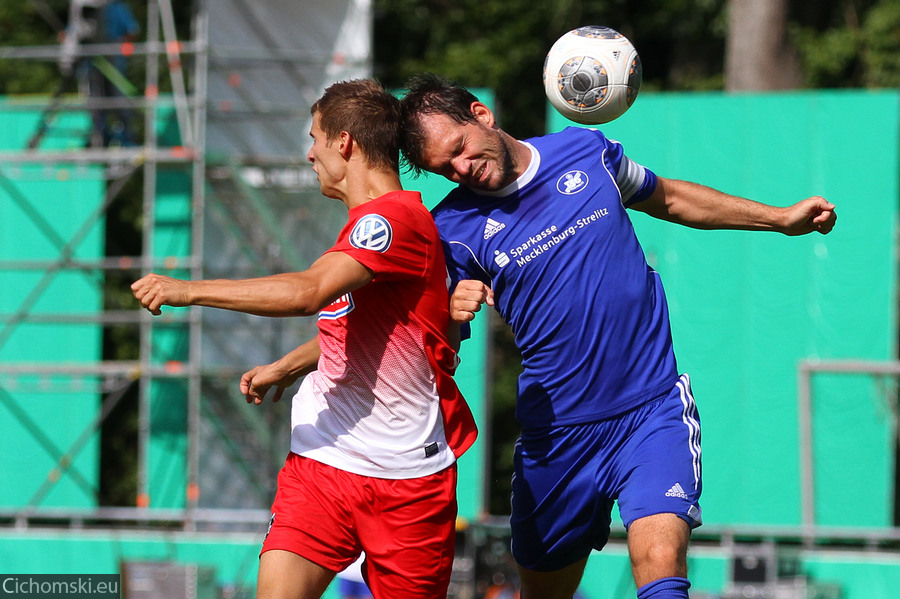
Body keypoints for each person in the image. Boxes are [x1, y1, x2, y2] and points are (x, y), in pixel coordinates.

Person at [398, 73, 836, 599]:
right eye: (444, 169)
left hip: (651, 409)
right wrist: (451, 307)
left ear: (481, 115)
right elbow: (426, 333)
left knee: (660, 560)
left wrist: (778, 219)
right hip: (557, 434)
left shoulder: (587, 150)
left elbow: (669, 198)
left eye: (460, 149)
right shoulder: (451, 229)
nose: (461, 169)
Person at [131, 79, 477, 599]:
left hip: (406, 481)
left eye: (314, 137)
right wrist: (291, 364)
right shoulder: (372, 224)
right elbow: (366, 326)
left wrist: (187, 289)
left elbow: (308, 292)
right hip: (323, 462)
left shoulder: (393, 220)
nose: (308, 152)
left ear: (344, 143)